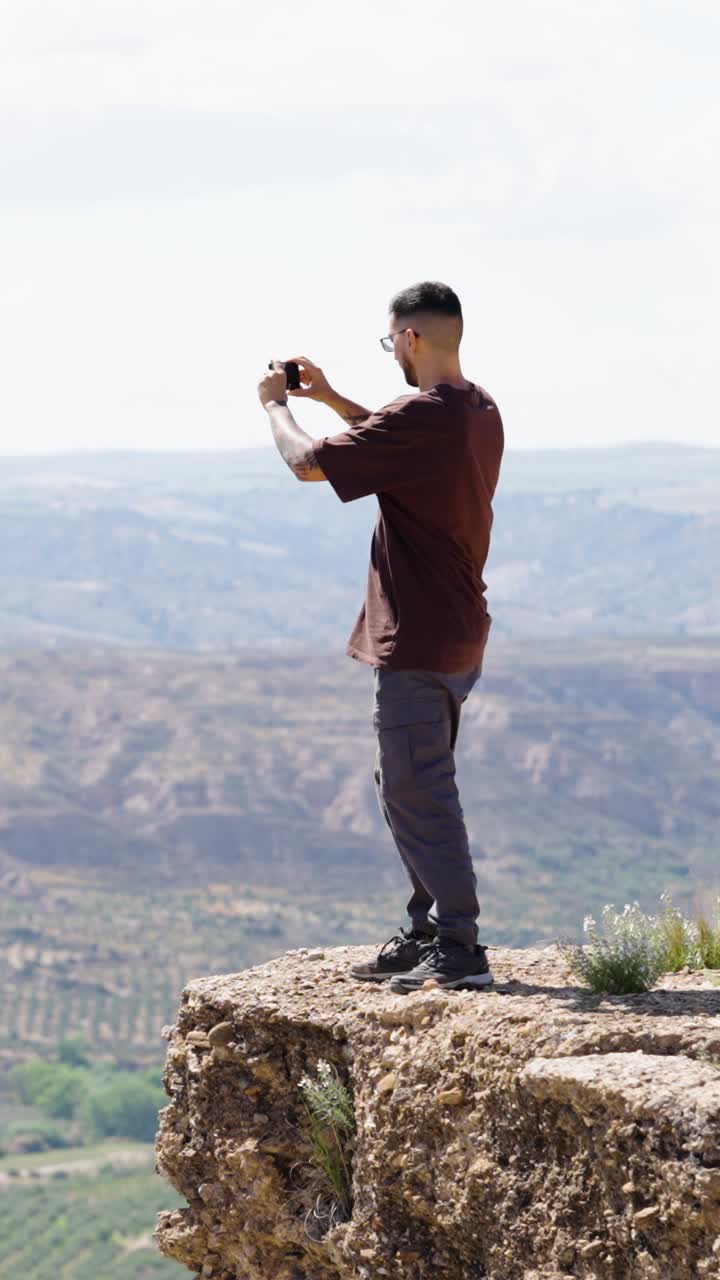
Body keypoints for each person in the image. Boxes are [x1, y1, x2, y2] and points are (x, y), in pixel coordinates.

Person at [257, 281, 504, 992]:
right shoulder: (474, 409)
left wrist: (275, 405)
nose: (392, 350)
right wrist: (333, 399)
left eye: (390, 340)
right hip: (455, 634)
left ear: (410, 339)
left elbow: (307, 463)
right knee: (405, 781)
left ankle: (459, 948)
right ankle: (427, 930)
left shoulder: (424, 415)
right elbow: (389, 441)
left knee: (419, 788)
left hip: (419, 639)